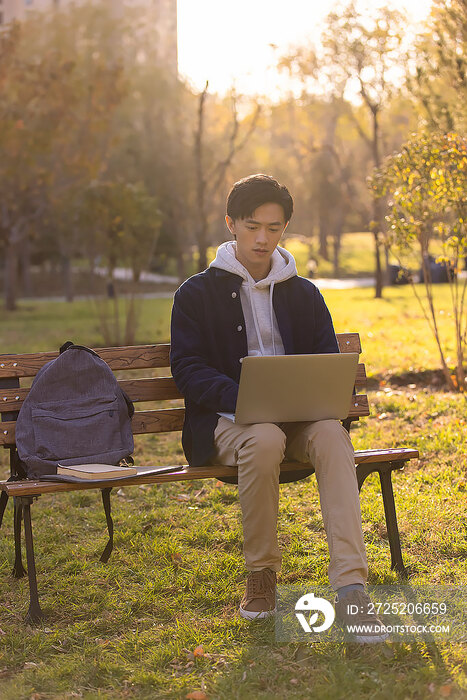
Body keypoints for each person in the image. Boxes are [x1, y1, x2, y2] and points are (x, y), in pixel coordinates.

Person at [170, 174, 387, 643]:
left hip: (301, 418)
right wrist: (244, 400)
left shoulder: (303, 292)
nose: (262, 238)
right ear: (230, 224)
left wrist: (321, 400)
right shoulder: (195, 294)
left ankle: (351, 587)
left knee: (332, 434)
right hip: (230, 423)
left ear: (285, 228)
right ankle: (262, 576)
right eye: (251, 227)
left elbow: (329, 360)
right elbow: (187, 369)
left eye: (273, 228)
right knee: (265, 436)